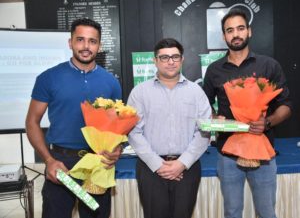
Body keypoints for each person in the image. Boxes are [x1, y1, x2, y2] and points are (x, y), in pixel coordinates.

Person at [25, 18, 122, 218]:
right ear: (70, 43)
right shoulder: (48, 78)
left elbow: (116, 127)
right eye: (80, 40)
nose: (86, 46)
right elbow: (31, 122)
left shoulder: (111, 82)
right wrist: (48, 160)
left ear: (99, 46)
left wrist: (116, 149)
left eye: (92, 41)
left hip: (97, 164)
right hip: (61, 164)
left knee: (96, 214)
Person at [203, 9, 292, 218]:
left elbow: (286, 105)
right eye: (230, 30)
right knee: (232, 212)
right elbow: (203, 106)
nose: (236, 34)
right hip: (228, 154)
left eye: (240, 28)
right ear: (224, 36)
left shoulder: (269, 65)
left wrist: (267, 122)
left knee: (267, 212)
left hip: (262, 152)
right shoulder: (215, 70)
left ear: (249, 31)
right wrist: (214, 118)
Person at [127, 38, 212, 218]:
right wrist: (158, 165)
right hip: (151, 169)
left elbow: (205, 131)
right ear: (155, 60)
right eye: (164, 58)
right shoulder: (140, 92)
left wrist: (182, 163)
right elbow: (133, 132)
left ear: (182, 59)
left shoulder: (196, 92)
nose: (170, 62)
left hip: (187, 168)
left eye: (175, 57)